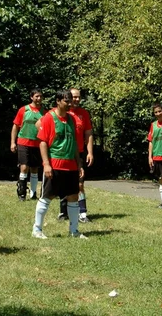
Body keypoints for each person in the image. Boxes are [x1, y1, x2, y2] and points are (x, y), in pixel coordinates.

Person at [32, 90, 87, 239]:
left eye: (70, 101)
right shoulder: (49, 118)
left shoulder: (72, 119)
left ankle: (74, 231)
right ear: (58, 101)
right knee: (46, 197)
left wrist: (79, 163)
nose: (69, 104)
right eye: (66, 101)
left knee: (73, 197)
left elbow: (74, 142)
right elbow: (43, 142)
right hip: (54, 165)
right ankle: (37, 230)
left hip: (71, 166)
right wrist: (46, 164)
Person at [58, 88, 94, 222]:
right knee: (63, 183)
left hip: (78, 153)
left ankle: (82, 213)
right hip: (64, 153)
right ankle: (63, 212)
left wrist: (90, 152)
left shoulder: (83, 114)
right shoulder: (62, 113)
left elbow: (88, 133)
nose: (77, 100)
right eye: (74, 97)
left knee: (79, 183)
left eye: (78, 97)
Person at [11, 88, 45, 200]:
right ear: (31, 97)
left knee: (35, 168)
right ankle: (21, 192)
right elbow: (15, 126)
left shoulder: (44, 112)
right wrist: (13, 142)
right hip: (23, 142)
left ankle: (33, 193)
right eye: (36, 96)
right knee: (24, 167)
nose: (39, 98)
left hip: (37, 143)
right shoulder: (23, 110)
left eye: (40, 96)